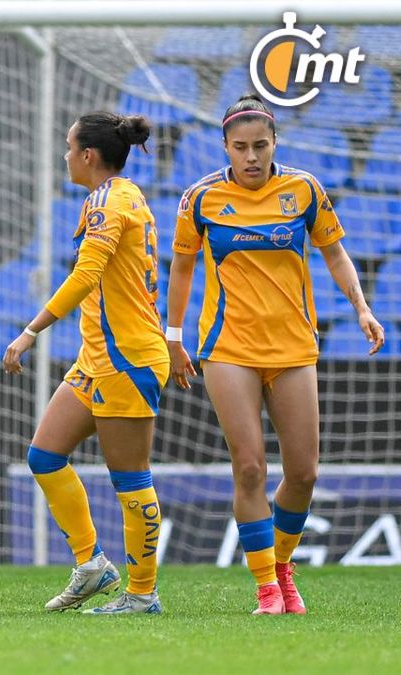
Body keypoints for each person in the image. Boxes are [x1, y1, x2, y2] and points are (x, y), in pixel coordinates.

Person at [167, 94, 385, 615]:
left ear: (274, 144)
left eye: (260, 146)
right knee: (249, 469)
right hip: (228, 349)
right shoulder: (200, 199)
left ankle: (283, 565)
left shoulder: (304, 189)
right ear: (225, 147)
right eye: (240, 147)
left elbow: (334, 252)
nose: (251, 157)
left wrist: (361, 308)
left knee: (304, 472)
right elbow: (181, 267)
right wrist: (174, 338)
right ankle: (268, 588)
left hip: (293, 347)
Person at [3, 112, 167, 615]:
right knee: (45, 456)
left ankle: (142, 594)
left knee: (130, 479)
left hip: (127, 358)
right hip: (98, 357)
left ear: (88, 156)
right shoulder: (125, 194)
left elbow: (85, 275)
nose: (65, 155)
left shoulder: (106, 201)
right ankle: (91, 565)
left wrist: (31, 331)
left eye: (68, 147)